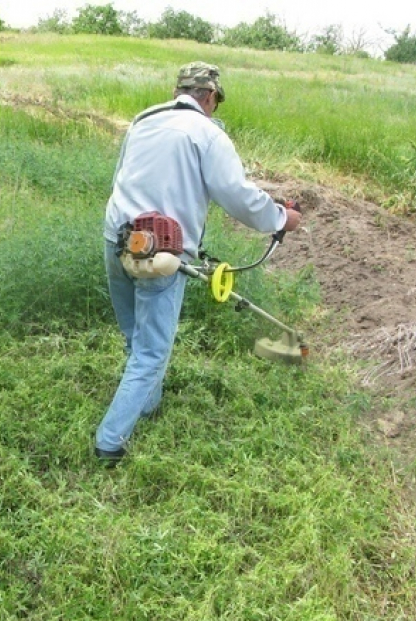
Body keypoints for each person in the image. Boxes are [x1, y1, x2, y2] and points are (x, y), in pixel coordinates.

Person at [94, 61, 302, 467]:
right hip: (160, 253)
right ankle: (109, 443)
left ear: (178, 92)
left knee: (134, 337)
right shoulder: (207, 134)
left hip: (115, 238)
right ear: (209, 97)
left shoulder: (143, 120)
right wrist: (281, 218)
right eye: (215, 103)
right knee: (152, 352)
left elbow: (123, 176)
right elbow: (237, 195)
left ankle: (147, 404)